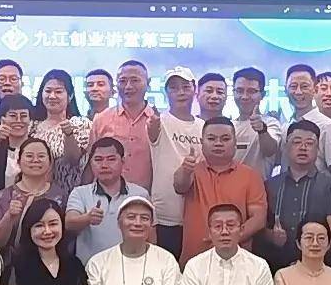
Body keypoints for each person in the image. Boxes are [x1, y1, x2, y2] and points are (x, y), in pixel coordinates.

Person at [174, 117, 267, 261]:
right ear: (202, 143)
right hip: (194, 259)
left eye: (225, 139)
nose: (218, 143)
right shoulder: (192, 171)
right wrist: (186, 170)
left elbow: (258, 219)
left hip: (237, 259)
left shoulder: (251, 175)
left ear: (235, 143)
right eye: (211, 138)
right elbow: (180, 186)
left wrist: (228, 238)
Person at [262, 121, 331, 268]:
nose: (303, 147)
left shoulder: (330, 184)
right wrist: (271, 236)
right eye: (296, 142)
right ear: (286, 147)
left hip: (318, 265)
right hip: (277, 264)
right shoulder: (271, 185)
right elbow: (261, 227)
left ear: (317, 149)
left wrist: (311, 255)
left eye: (309, 143)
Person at [0, 198, 87, 285]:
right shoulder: (17, 265)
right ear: (29, 229)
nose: (47, 231)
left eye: (53, 224)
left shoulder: (73, 265)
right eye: (39, 225)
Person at [147, 66, 203, 254]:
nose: (181, 92)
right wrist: (153, 125)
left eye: (186, 87)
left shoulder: (203, 126)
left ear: (194, 90)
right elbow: (152, 133)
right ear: (166, 92)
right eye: (174, 88)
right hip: (165, 214)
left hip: (196, 212)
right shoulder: (159, 121)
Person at [0, 138, 71, 251]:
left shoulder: (61, 195)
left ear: (50, 163)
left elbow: (68, 236)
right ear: (18, 162)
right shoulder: (4, 196)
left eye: (41, 156)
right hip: (13, 260)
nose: (35, 160)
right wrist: (9, 217)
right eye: (29, 156)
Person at [66, 137, 144, 263]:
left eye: (111, 159)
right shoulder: (80, 193)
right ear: (90, 163)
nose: (104, 165)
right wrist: (87, 218)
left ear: (123, 162)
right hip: (90, 269)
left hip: (131, 266)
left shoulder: (139, 194)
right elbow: (69, 223)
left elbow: (150, 236)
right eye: (98, 160)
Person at [90, 60, 154, 189]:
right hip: (106, 197)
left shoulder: (158, 121)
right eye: (123, 81)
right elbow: (91, 164)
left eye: (135, 80)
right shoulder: (101, 119)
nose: (128, 86)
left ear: (148, 83)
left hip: (146, 197)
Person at [283, 63, 331, 182]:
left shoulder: (327, 125)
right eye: (293, 86)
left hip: (317, 191)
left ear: (315, 89)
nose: (298, 92)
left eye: (304, 86)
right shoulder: (285, 126)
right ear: (286, 90)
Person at [0, 94, 40, 188]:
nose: (18, 120)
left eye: (23, 116)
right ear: (2, 119)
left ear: (30, 120)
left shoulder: (37, 146)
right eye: (13, 116)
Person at [32, 68, 89, 166]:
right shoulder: (32, 126)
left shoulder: (81, 124)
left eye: (58, 92)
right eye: (48, 91)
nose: (52, 96)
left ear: (70, 96)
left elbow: (75, 160)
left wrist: (69, 135)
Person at [231, 67, 282, 175]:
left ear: (262, 95)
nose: (245, 97)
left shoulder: (270, 123)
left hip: (259, 185)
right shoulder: (228, 126)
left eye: (251, 91)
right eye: (239, 91)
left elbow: (270, 150)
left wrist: (262, 130)